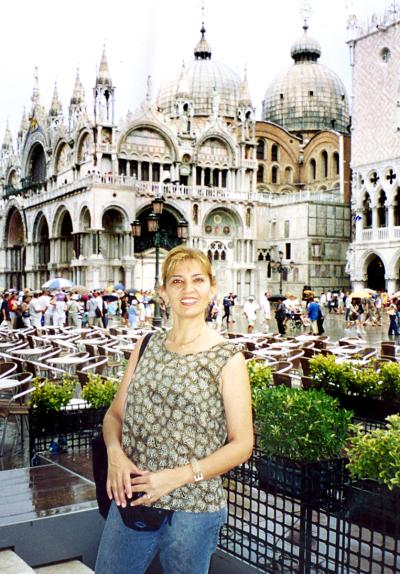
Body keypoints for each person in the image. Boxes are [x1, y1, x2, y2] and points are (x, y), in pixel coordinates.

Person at [95, 246, 253, 574]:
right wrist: (115, 453)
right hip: (131, 502)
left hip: (193, 514)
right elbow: (114, 416)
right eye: (177, 281)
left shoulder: (228, 358)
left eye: (197, 280)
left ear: (212, 289)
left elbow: (242, 445)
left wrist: (175, 477)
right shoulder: (147, 345)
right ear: (163, 292)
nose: (188, 289)